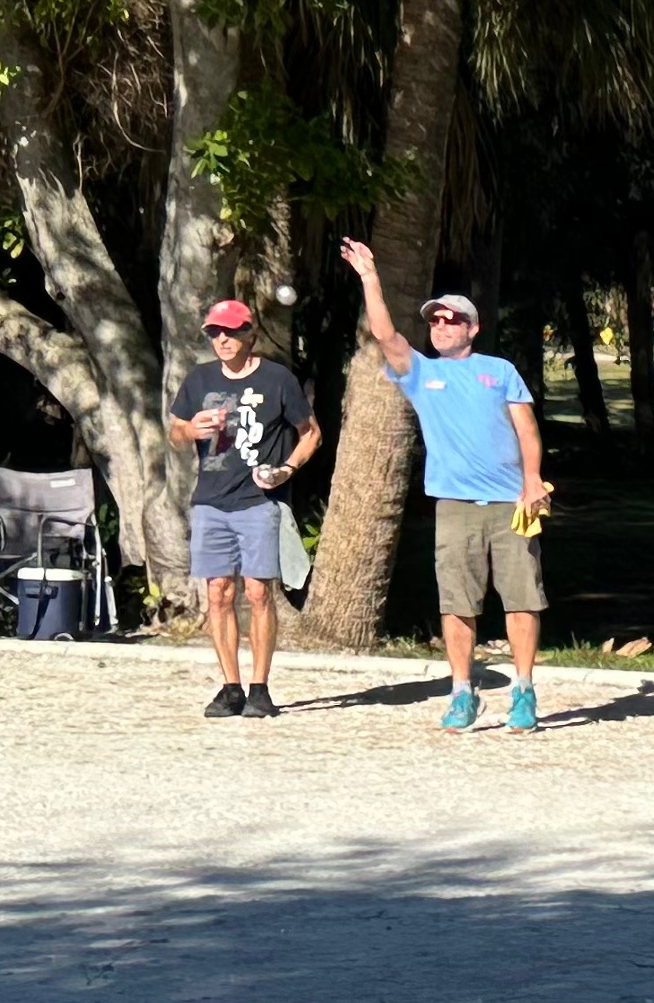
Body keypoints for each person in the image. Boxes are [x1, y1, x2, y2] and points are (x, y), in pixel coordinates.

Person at [342, 239, 551, 733]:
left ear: (472, 328)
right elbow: (385, 334)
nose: (441, 326)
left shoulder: (499, 371)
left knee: (522, 598)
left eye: (451, 320)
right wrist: (370, 277)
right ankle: (462, 692)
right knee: (457, 603)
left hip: (511, 504)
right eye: (435, 320)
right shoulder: (421, 373)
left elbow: (527, 431)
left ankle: (523, 690)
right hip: (454, 506)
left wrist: (532, 481)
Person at [169, 300, 322, 718]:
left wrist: (287, 469)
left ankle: (260, 688)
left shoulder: (277, 379)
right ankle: (230, 687)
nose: (222, 339)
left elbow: (311, 433)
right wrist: (190, 429)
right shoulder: (199, 379)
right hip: (211, 501)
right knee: (218, 593)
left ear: (250, 334)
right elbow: (175, 432)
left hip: (259, 501)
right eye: (214, 332)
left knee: (258, 592)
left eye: (231, 331)